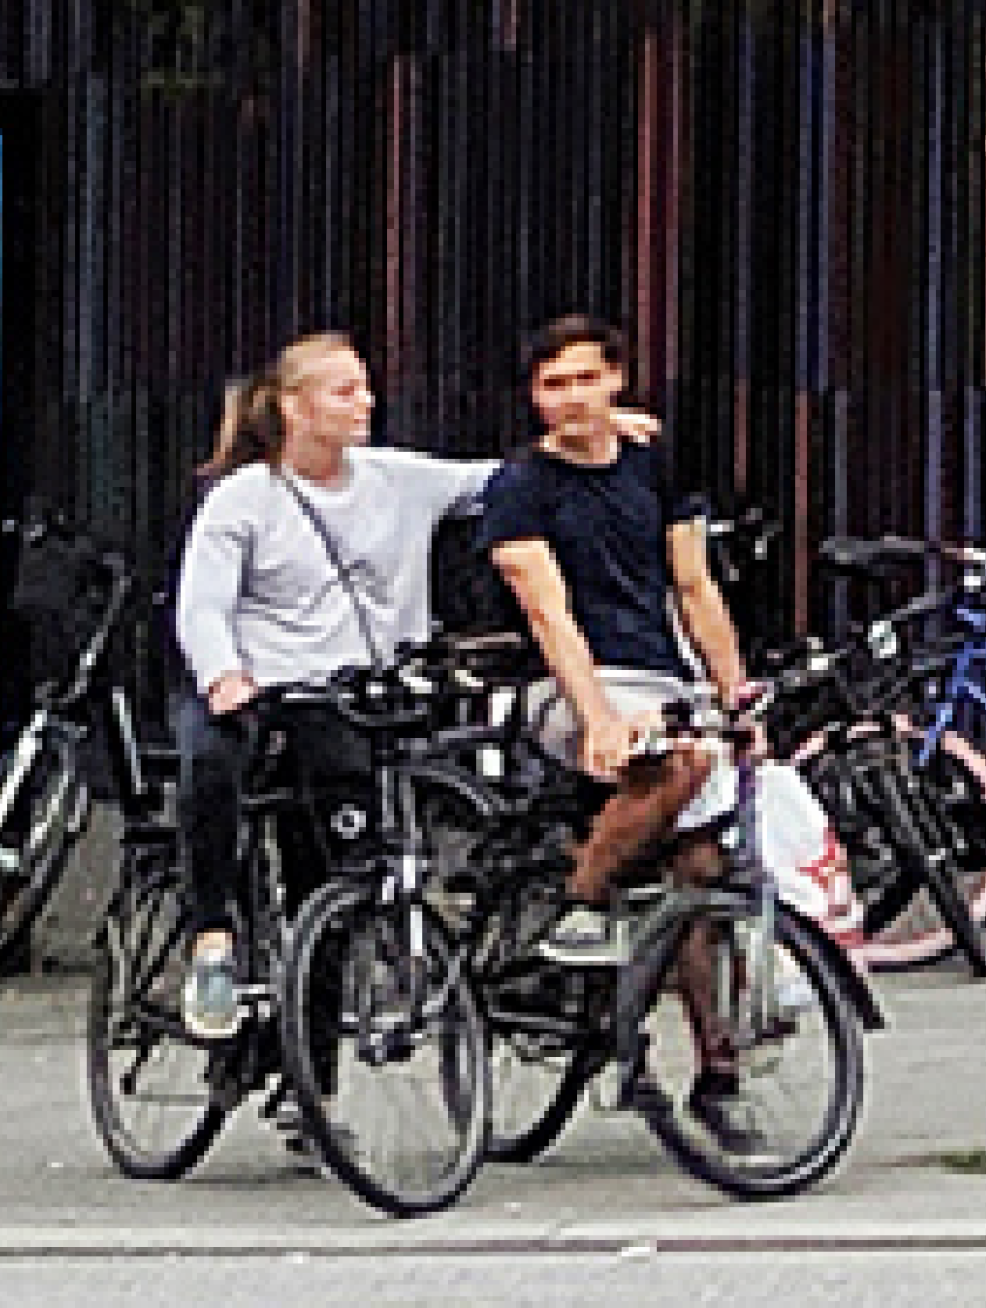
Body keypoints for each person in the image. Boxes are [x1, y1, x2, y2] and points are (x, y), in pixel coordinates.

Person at [169, 330, 498, 1042]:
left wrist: (588, 435)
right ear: (293, 406)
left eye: (365, 386)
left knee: (329, 880)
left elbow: (497, 482)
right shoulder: (244, 500)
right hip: (262, 692)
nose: (365, 402)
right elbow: (202, 605)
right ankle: (212, 938)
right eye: (344, 390)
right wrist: (226, 674)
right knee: (211, 765)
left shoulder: (397, 479)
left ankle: (310, 1075)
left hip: (347, 701)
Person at [477, 312, 752, 955]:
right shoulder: (521, 487)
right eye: (554, 384)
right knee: (677, 761)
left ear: (617, 381)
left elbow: (694, 586)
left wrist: (734, 692)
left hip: (660, 676)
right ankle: (583, 902)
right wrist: (596, 716)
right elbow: (551, 614)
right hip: (564, 682)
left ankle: (714, 1053)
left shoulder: (653, 466)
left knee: (701, 866)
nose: (572, 397)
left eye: (587, 379)